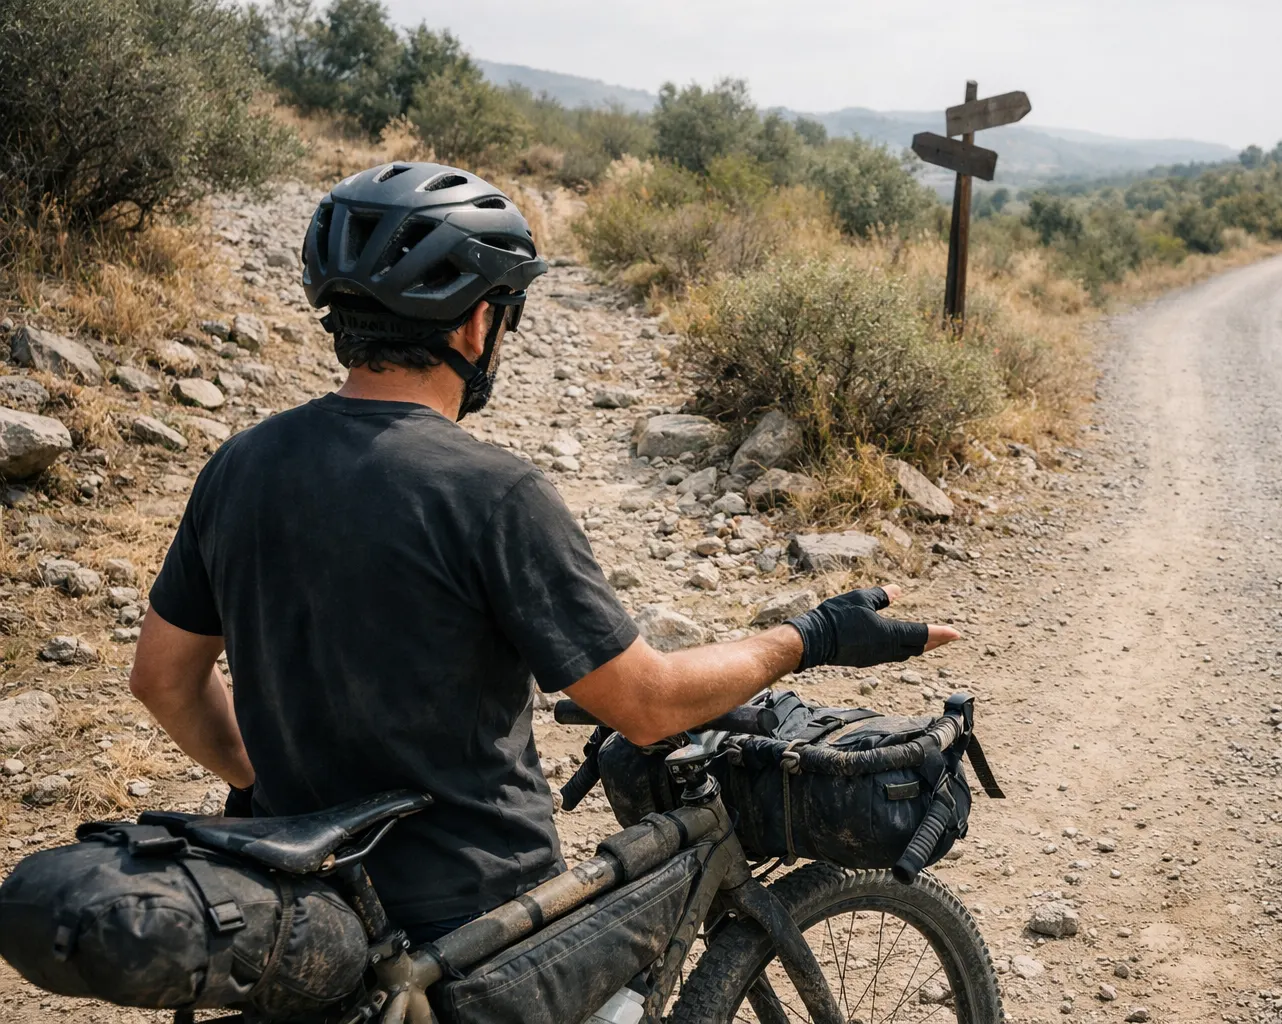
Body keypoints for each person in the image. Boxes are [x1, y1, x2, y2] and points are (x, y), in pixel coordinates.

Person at [127, 163, 959, 942]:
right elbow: (648, 704)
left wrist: (279, 806)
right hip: (473, 912)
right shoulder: (491, 492)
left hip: (297, 907)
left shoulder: (240, 465)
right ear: (480, 319)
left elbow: (162, 679)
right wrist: (811, 636)